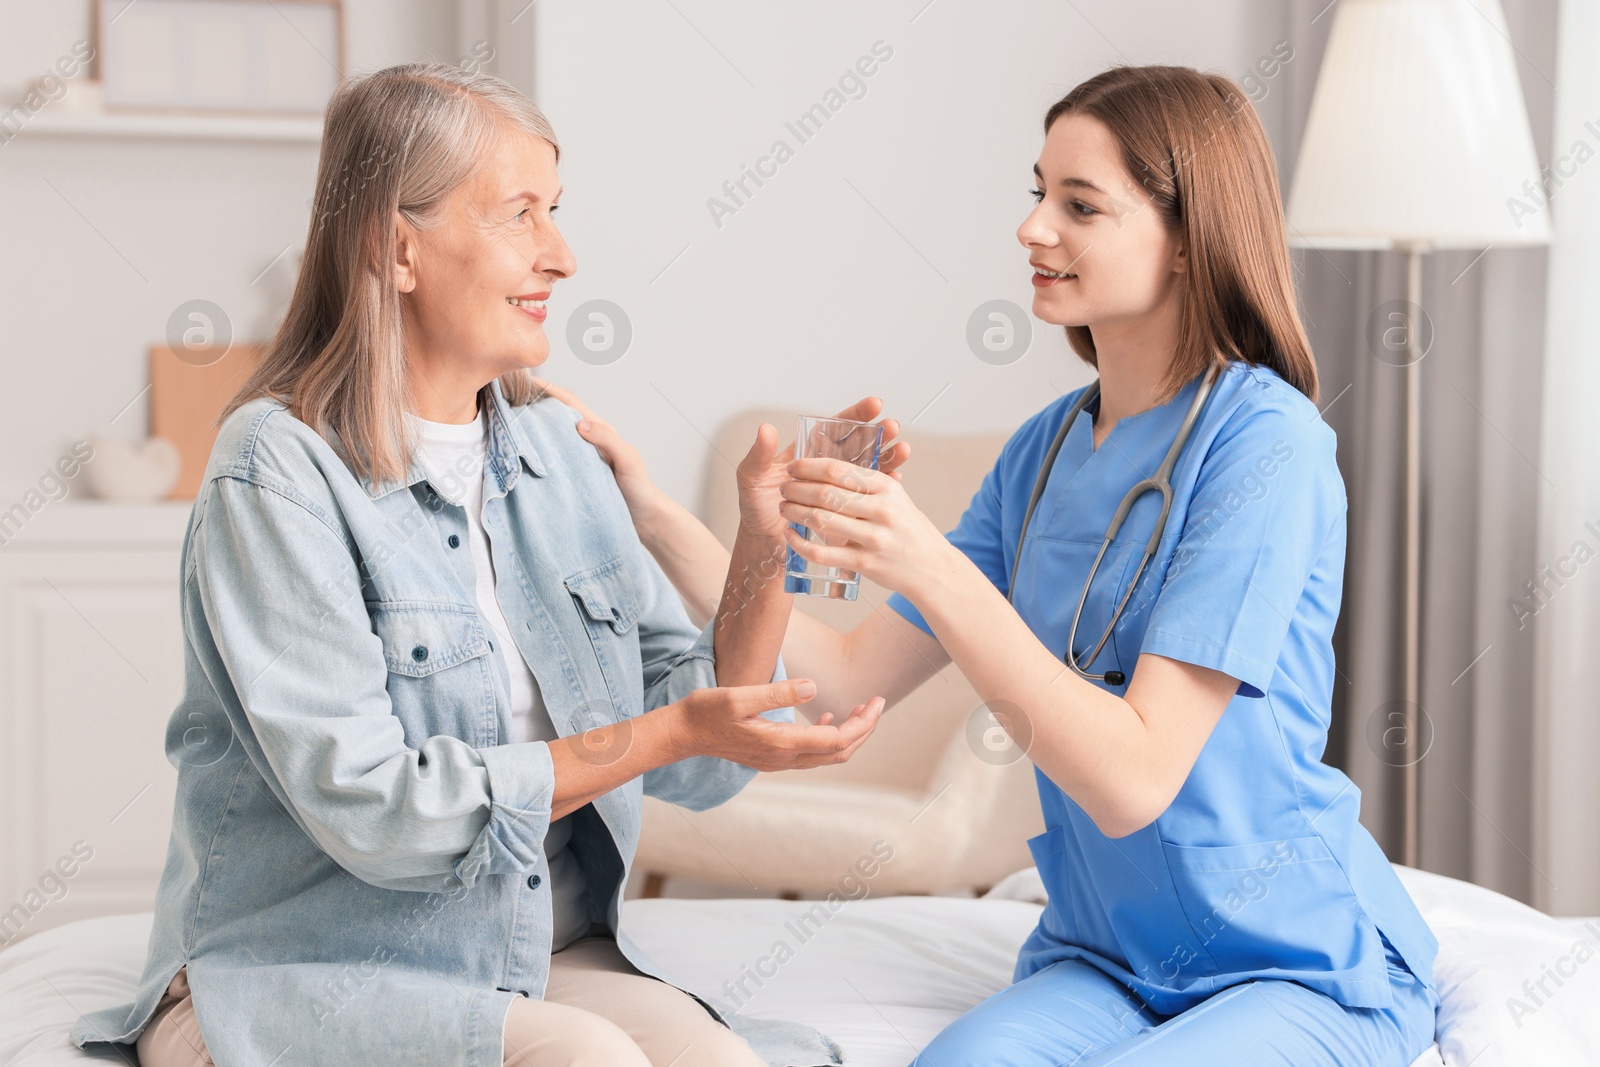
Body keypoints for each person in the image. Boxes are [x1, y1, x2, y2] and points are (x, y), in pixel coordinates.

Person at [547, 64, 1441, 1066]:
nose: (1032, 229)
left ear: (1189, 238)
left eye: (1079, 205)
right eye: (1037, 194)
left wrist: (929, 562)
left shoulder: (1264, 444)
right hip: (1106, 955)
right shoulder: (1046, 449)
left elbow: (1135, 778)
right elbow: (841, 678)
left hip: (1285, 958)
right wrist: (655, 512)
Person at [70, 63, 892, 1067]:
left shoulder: (556, 453)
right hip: (305, 964)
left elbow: (706, 758)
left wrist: (761, 551)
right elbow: (375, 807)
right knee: (589, 1056)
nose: (563, 254)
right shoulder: (276, 471)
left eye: (555, 211)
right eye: (520, 215)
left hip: (521, 949)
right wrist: (666, 727)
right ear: (393, 243)